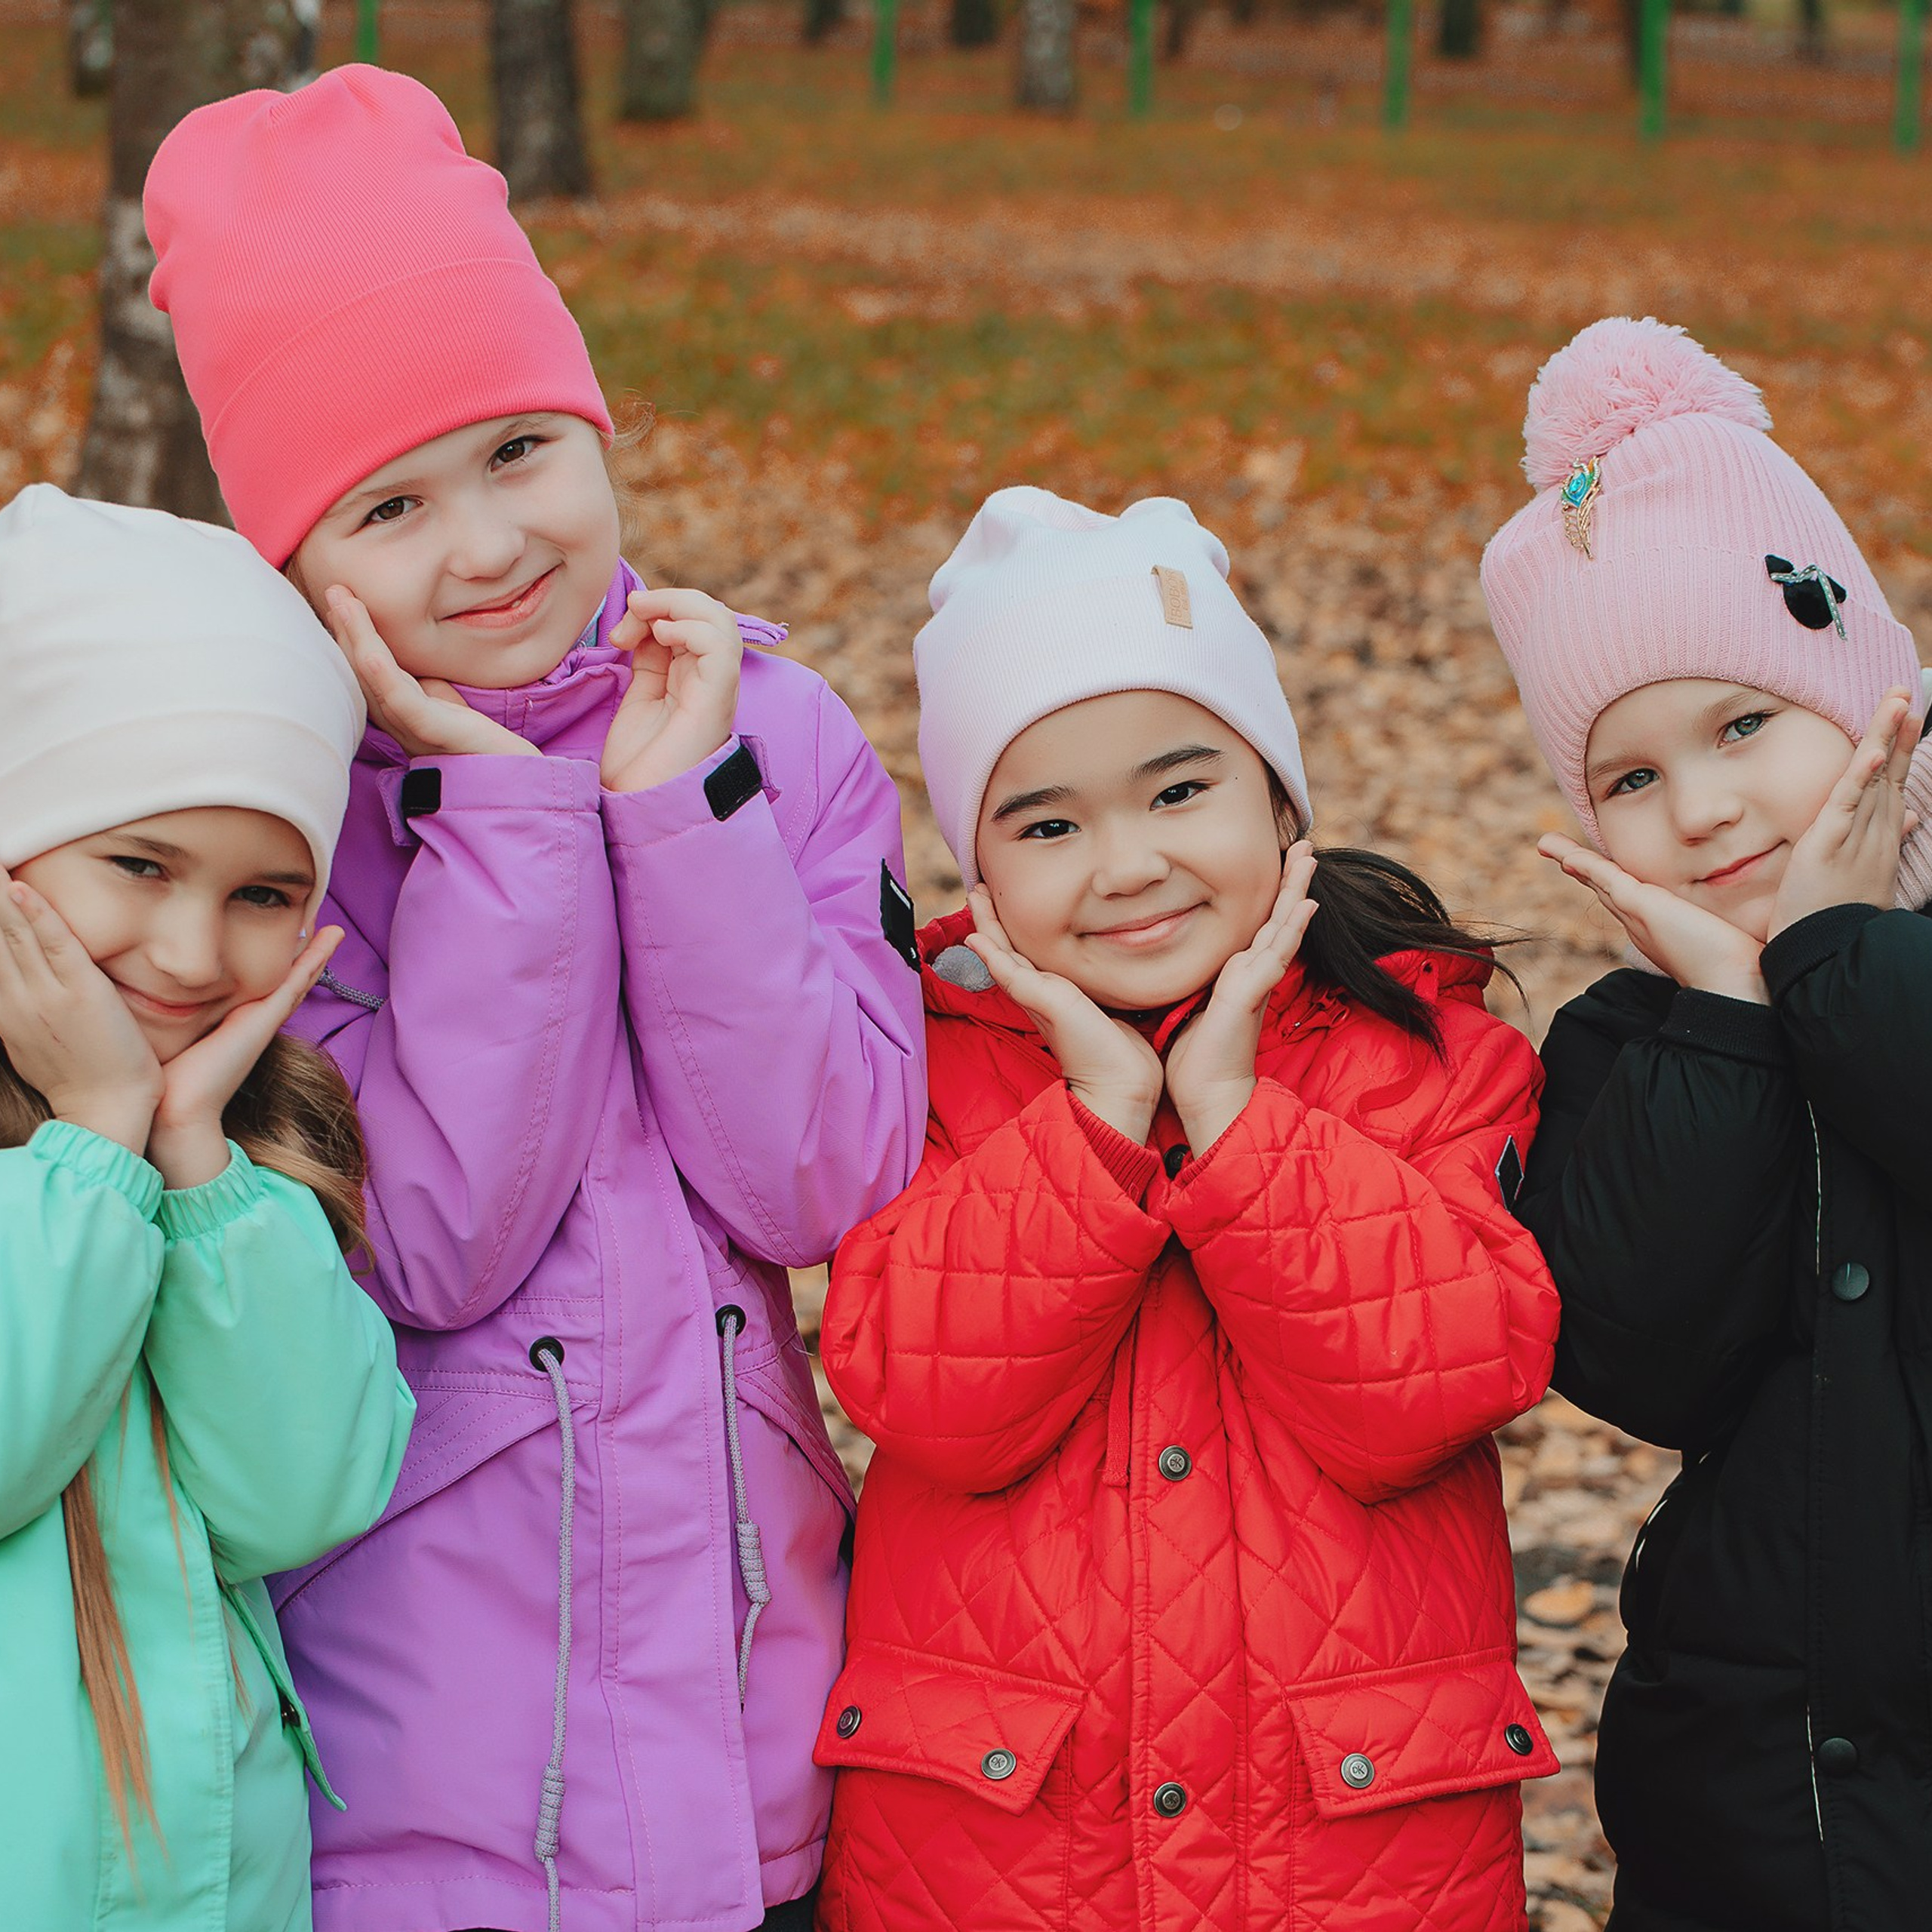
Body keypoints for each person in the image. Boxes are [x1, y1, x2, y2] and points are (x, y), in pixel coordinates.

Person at [143, 65, 927, 1932]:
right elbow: (431, 1240)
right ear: (296, 561)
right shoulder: (279, 827)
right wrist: (502, 818)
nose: (488, 543)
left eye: (518, 450)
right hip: (440, 1788)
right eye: (391, 504)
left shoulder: (771, 736)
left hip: (754, 1732)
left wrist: (676, 817)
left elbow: (821, 1183)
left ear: (591, 422)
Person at [813, 487, 1561, 1932]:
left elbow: (1439, 1382)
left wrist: (1232, 1113)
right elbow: (927, 1397)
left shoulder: (1428, 1053)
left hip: (1351, 1849)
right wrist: (1097, 1117)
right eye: (1048, 823)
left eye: (1178, 792)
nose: (1129, 865)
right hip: (998, 1851)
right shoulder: (925, 1069)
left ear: (1278, 800)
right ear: (981, 867)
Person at [1482, 314, 1932, 1932]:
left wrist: (1832, 956)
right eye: (1629, 778)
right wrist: (1735, 1021)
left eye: (1745, 725)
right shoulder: (1638, 1042)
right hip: (1758, 1813)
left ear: (1866, 696)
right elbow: (1638, 1360)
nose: (1703, 808)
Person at [0, 484, 414, 1930]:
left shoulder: (233, 1165)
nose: (189, 953)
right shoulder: (89, 1161)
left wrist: (188, 1165)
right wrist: (92, 1146)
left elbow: (302, 1496)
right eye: (139, 864)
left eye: (264, 893)